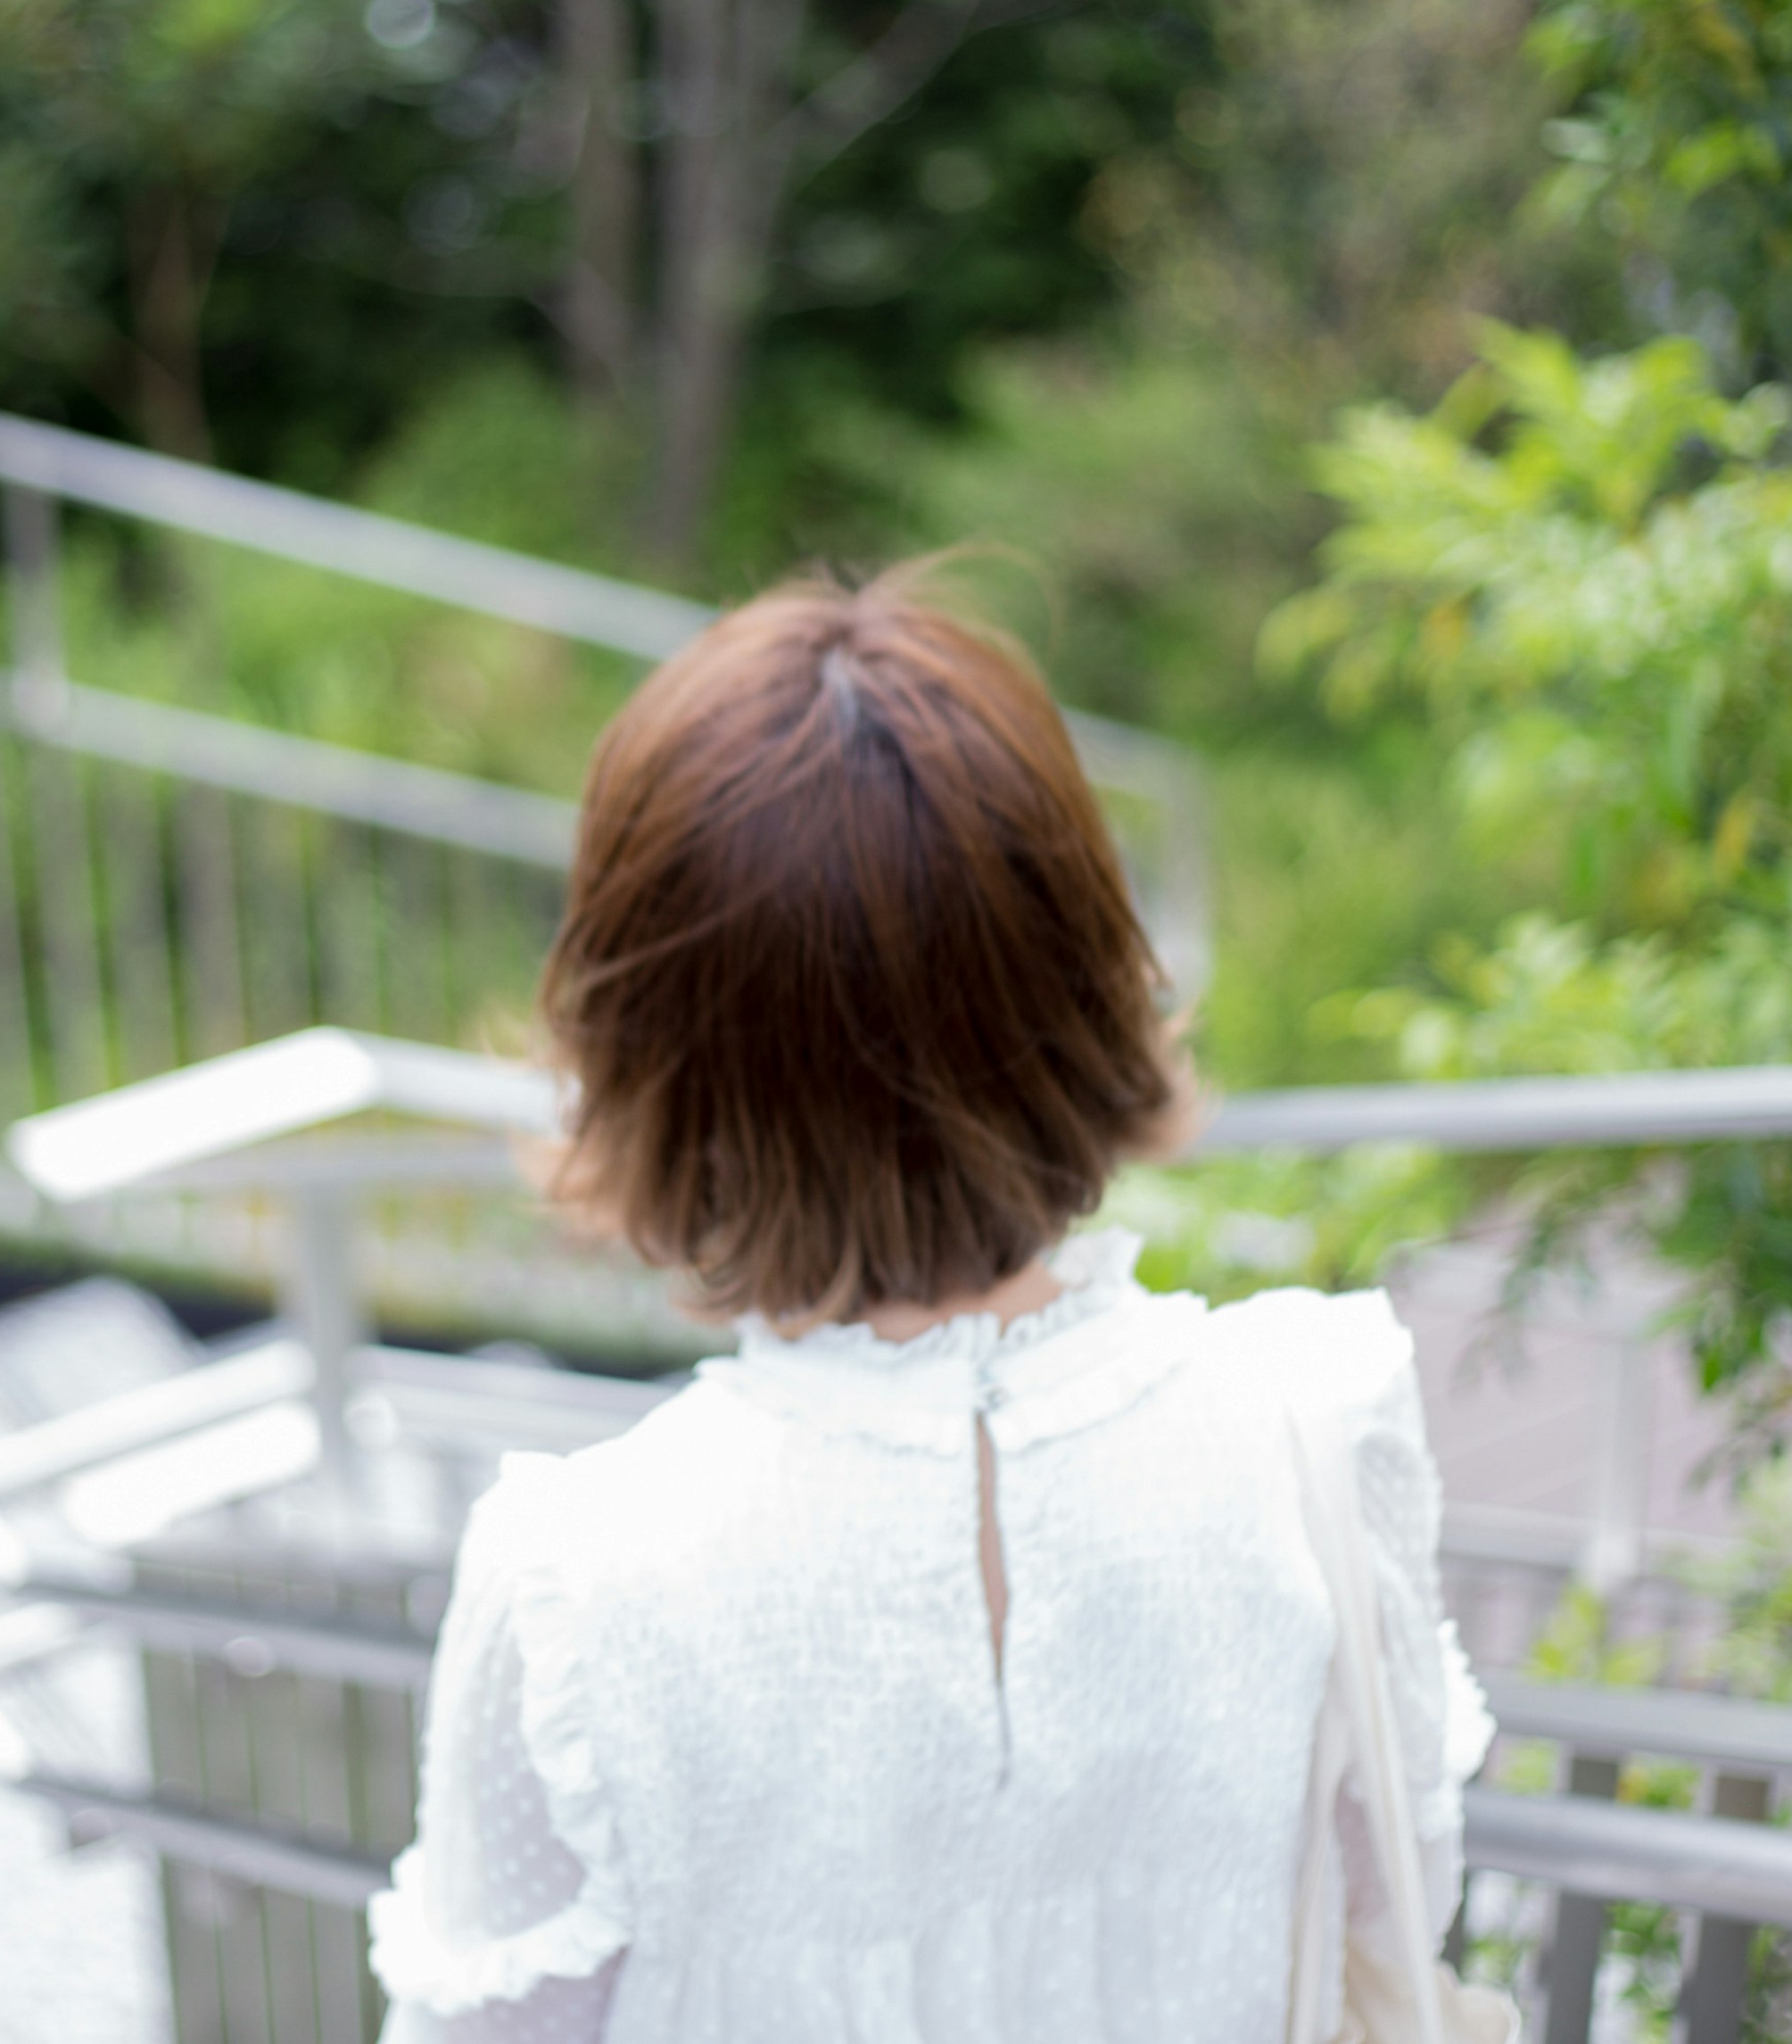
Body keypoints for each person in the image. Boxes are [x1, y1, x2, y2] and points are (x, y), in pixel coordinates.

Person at [366, 569, 1492, 2043]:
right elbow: (1391, 1910)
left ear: (657, 1066)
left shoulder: (580, 1586)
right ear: (1088, 982)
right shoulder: (1312, 1433)